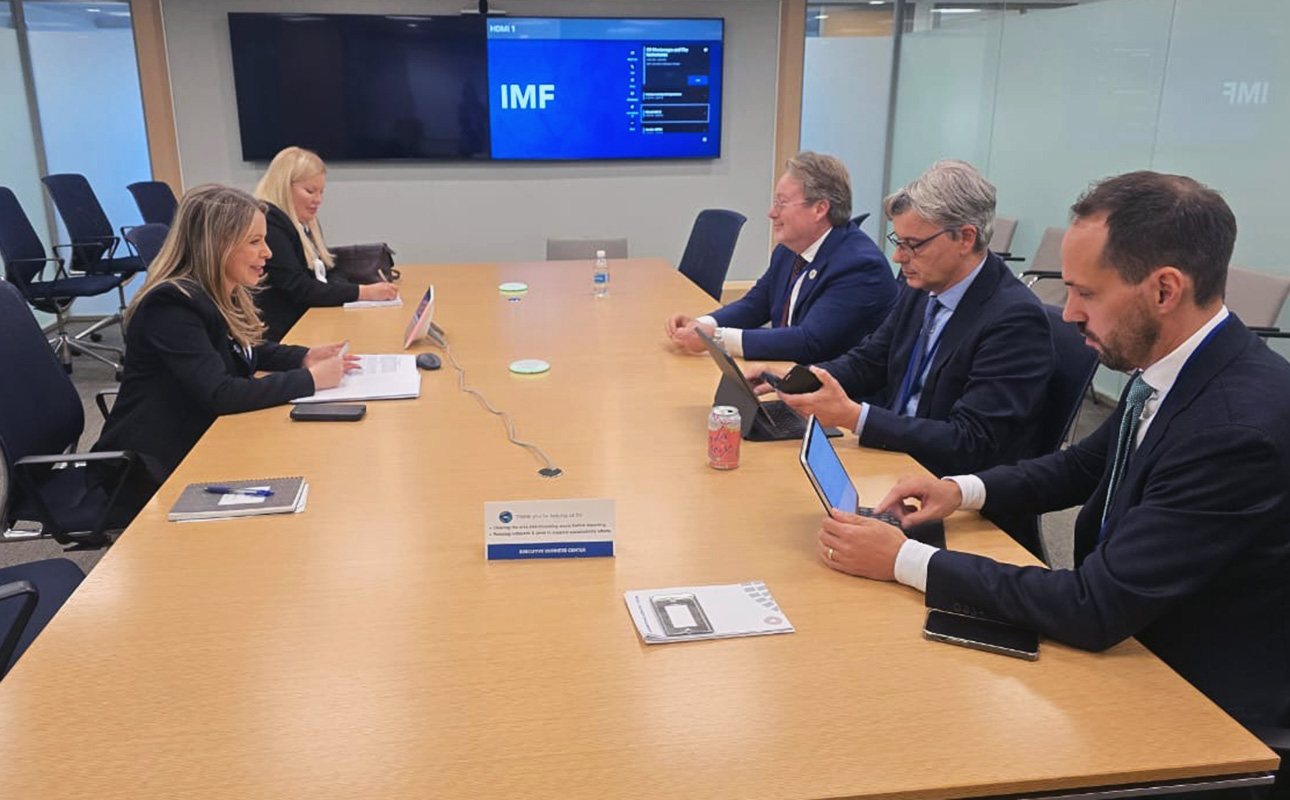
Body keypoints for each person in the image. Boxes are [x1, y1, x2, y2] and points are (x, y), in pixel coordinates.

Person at [826, 171, 1290, 737]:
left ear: (1164, 291)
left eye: (1086, 293)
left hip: (1199, 705)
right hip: (1135, 636)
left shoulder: (1234, 430)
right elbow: (1082, 465)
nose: (1068, 314)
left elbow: (1094, 606)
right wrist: (960, 490)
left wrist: (903, 560)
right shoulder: (1181, 366)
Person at [748, 160, 1054, 480]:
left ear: (965, 238)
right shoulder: (924, 285)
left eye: (913, 245)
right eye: (899, 242)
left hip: (945, 483)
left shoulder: (1015, 320)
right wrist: (796, 379)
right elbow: (871, 361)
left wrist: (855, 417)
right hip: (894, 455)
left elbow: (971, 440)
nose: (898, 257)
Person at [92, 184, 358, 521]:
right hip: (149, 469)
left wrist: (302, 357)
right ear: (216, 245)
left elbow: (243, 349)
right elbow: (221, 394)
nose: (268, 253)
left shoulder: (213, 291)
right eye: (254, 241)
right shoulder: (171, 306)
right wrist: (310, 380)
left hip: (196, 439)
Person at [665, 151, 897, 363]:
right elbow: (756, 304)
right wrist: (702, 324)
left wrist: (716, 337)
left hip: (834, 389)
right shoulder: (789, 249)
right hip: (788, 374)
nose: (772, 213)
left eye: (781, 203)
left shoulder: (859, 265)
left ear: (819, 209)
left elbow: (808, 342)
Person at [253, 146, 398, 341]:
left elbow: (331, 268)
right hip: (286, 334)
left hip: (312, 320)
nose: (318, 200)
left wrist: (342, 290)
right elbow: (300, 288)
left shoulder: (305, 223)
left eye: (321, 192)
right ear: (284, 186)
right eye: (310, 191)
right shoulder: (270, 226)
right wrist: (363, 292)